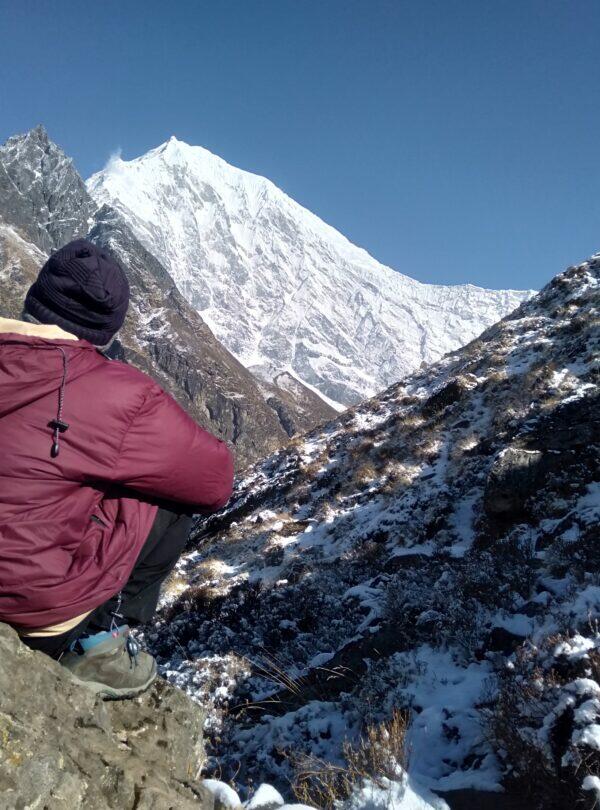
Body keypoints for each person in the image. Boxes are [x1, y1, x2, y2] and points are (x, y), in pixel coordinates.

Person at [0, 239, 234, 698]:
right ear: (109, 326)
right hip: (28, 602)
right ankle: (96, 641)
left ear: (34, 297)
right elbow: (215, 481)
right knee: (164, 489)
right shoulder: (121, 394)